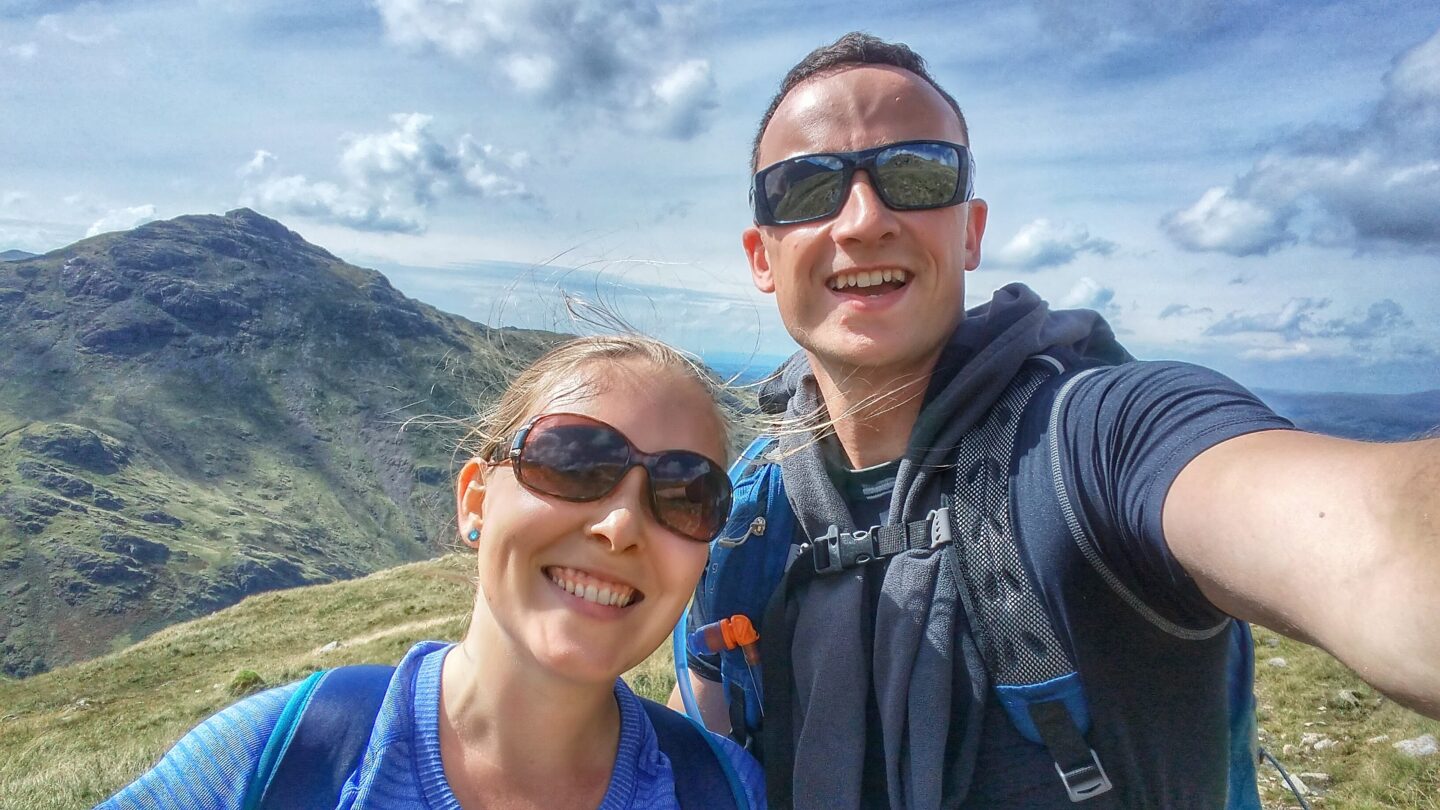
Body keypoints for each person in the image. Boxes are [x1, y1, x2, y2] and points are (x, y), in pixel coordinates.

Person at [674, 32, 1440, 809]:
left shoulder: (1097, 438)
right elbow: (690, 756)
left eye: (915, 174)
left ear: (969, 232)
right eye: (806, 189)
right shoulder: (745, 520)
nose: (863, 220)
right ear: (761, 256)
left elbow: (1377, 533)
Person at [101, 335, 766, 809]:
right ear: (475, 500)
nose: (619, 525)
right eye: (573, 462)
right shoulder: (273, 757)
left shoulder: (725, 791)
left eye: (685, 495)